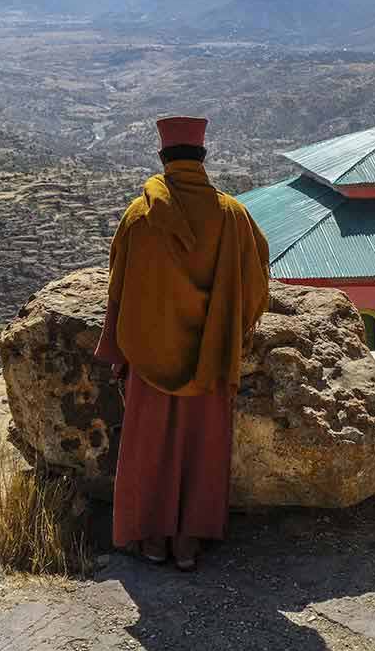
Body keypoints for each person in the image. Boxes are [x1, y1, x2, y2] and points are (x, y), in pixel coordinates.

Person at [95, 115, 270, 571]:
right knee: (203, 446)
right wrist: (232, 332)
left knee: (149, 445)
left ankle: (152, 538)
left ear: (163, 159)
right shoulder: (233, 215)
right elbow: (255, 288)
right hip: (211, 358)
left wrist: (123, 345)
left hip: (150, 356)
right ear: (203, 158)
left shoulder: (140, 215)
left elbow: (119, 287)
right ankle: (190, 541)